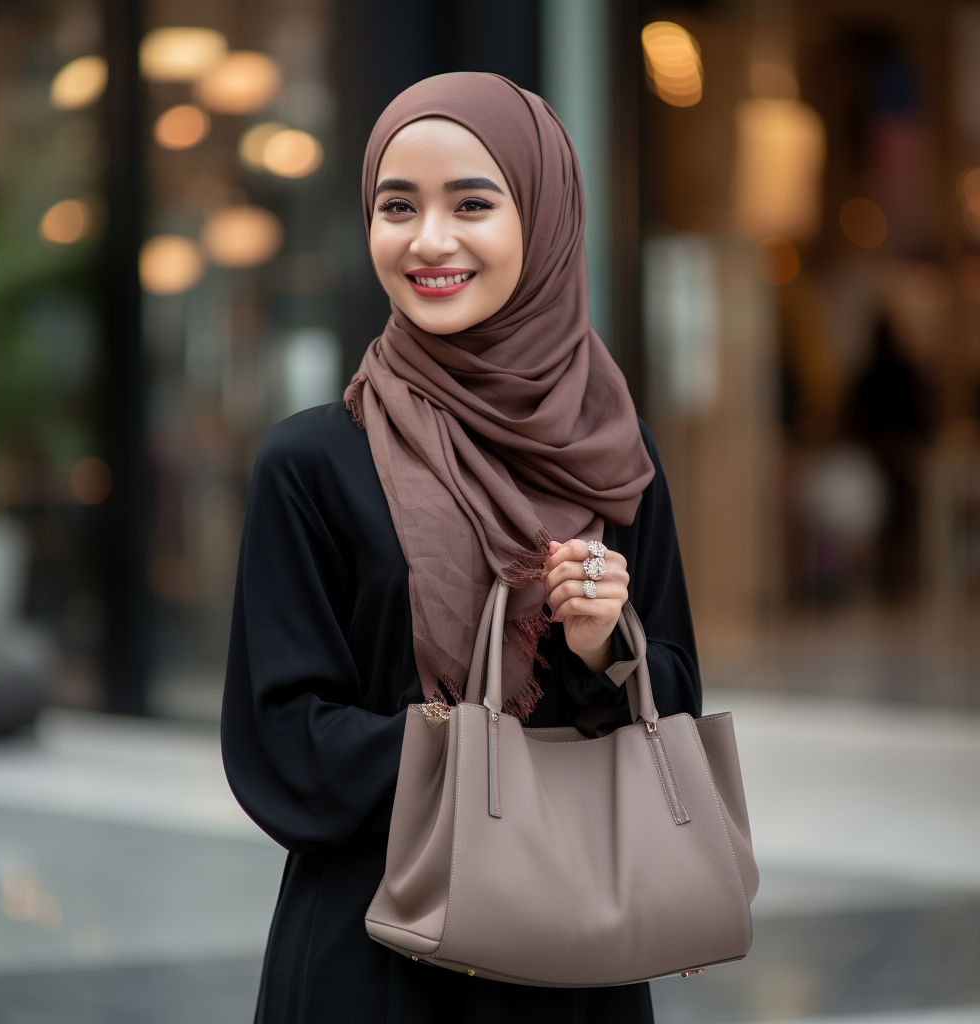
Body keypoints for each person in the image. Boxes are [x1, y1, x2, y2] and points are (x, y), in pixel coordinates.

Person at [222, 72, 700, 1024]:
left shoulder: (614, 452)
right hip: (375, 957)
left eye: (473, 203)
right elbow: (281, 743)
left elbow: (674, 701)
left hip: (576, 960)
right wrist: (470, 755)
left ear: (547, 219)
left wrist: (607, 647)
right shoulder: (311, 460)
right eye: (397, 206)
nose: (428, 241)